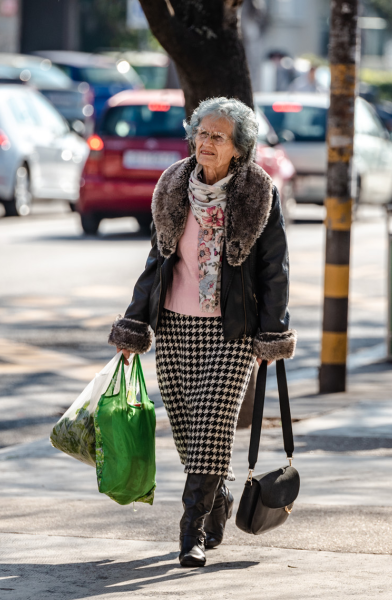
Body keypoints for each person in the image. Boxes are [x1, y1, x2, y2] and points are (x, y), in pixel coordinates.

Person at [109, 96, 296, 567]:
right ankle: (219, 495)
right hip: (175, 325)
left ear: (239, 148)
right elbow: (156, 260)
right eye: (201, 132)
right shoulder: (173, 185)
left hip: (233, 331)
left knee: (212, 425)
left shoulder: (258, 193)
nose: (206, 142)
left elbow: (274, 268)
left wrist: (272, 333)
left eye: (218, 136)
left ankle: (189, 532)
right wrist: (134, 326)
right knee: (191, 435)